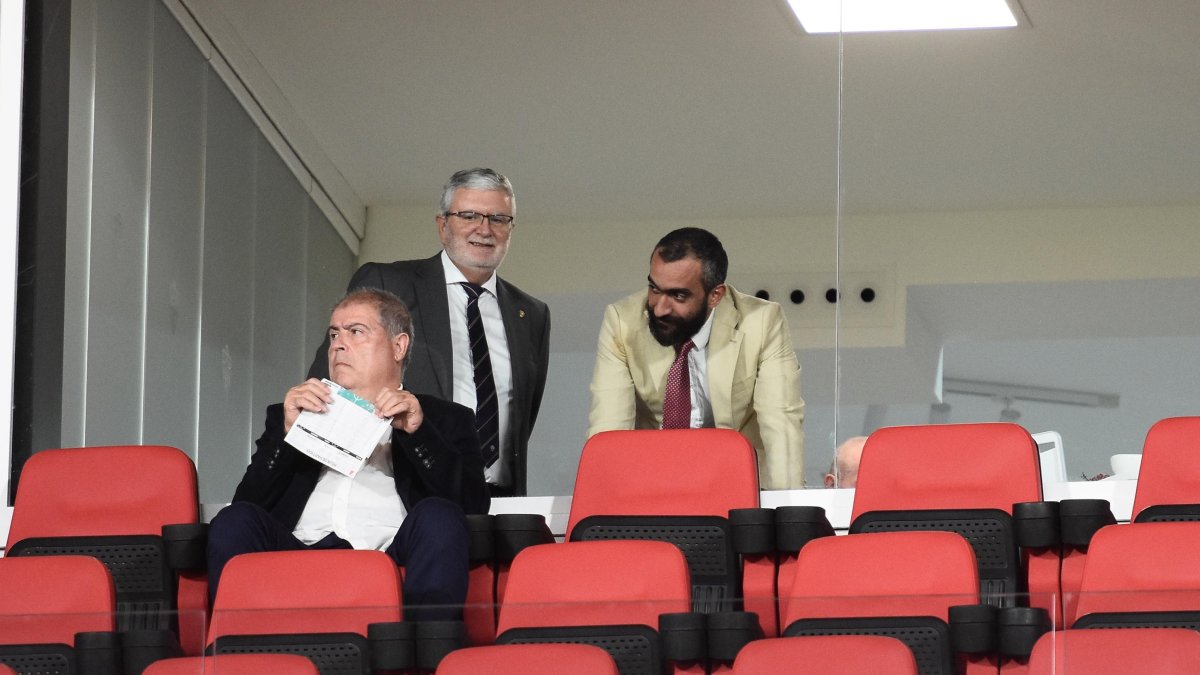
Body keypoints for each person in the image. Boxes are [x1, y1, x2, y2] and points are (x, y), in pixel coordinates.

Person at [208, 288, 489, 620]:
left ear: (399, 347)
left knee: (438, 516)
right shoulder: (292, 414)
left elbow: (471, 507)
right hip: (298, 551)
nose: (338, 344)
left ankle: (426, 652)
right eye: (334, 334)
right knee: (233, 521)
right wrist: (287, 435)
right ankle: (234, 654)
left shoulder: (442, 419)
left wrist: (418, 433)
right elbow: (248, 503)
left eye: (356, 332)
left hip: (390, 553)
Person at [308, 168, 550, 498]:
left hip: (498, 503)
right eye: (469, 215)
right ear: (442, 225)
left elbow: (522, 418)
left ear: (510, 229)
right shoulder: (387, 283)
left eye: (498, 219)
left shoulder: (532, 314)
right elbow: (330, 388)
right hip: (399, 496)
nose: (484, 228)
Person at [588, 227, 805, 489]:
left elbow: (781, 426)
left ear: (715, 295)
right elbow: (609, 436)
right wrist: (602, 511)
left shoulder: (762, 322)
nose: (659, 308)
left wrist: (789, 515)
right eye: (654, 289)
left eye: (678, 295)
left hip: (739, 486)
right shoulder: (622, 321)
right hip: (654, 487)